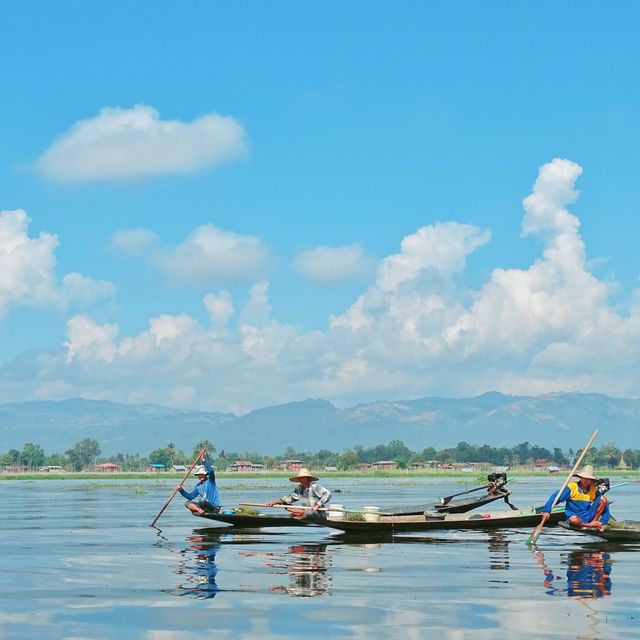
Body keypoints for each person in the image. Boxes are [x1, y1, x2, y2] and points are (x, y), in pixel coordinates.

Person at [539, 464, 611, 532]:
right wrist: (547, 510)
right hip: (575, 517)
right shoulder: (572, 487)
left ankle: (594, 522)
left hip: (588, 516)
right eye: (584, 478)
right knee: (574, 519)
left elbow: (604, 504)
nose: (586, 481)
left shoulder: (593, 488)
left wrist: (603, 522)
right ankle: (590, 525)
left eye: (588, 479)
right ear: (580, 477)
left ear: (591, 480)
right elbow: (555, 497)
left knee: (603, 499)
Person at [267, 468, 331, 520]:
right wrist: (276, 502)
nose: (302, 479)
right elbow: (290, 497)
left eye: (304, 478)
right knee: (286, 505)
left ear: (308, 478)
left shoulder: (314, 486)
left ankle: (300, 513)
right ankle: (300, 513)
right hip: (306, 511)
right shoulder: (299, 488)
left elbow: (327, 494)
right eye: (301, 478)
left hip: (317, 513)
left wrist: (318, 505)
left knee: (307, 512)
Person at [177, 452, 221, 516]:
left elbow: (211, 471)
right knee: (187, 503)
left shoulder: (211, 481)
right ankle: (199, 510)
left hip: (214, 507)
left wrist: (203, 460)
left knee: (202, 500)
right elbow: (190, 497)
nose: (200, 476)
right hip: (203, 507)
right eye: (199, 475)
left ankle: (202, 510)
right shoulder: (198, 486)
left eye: (202, 474)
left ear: (206, 475)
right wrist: (181, 490)